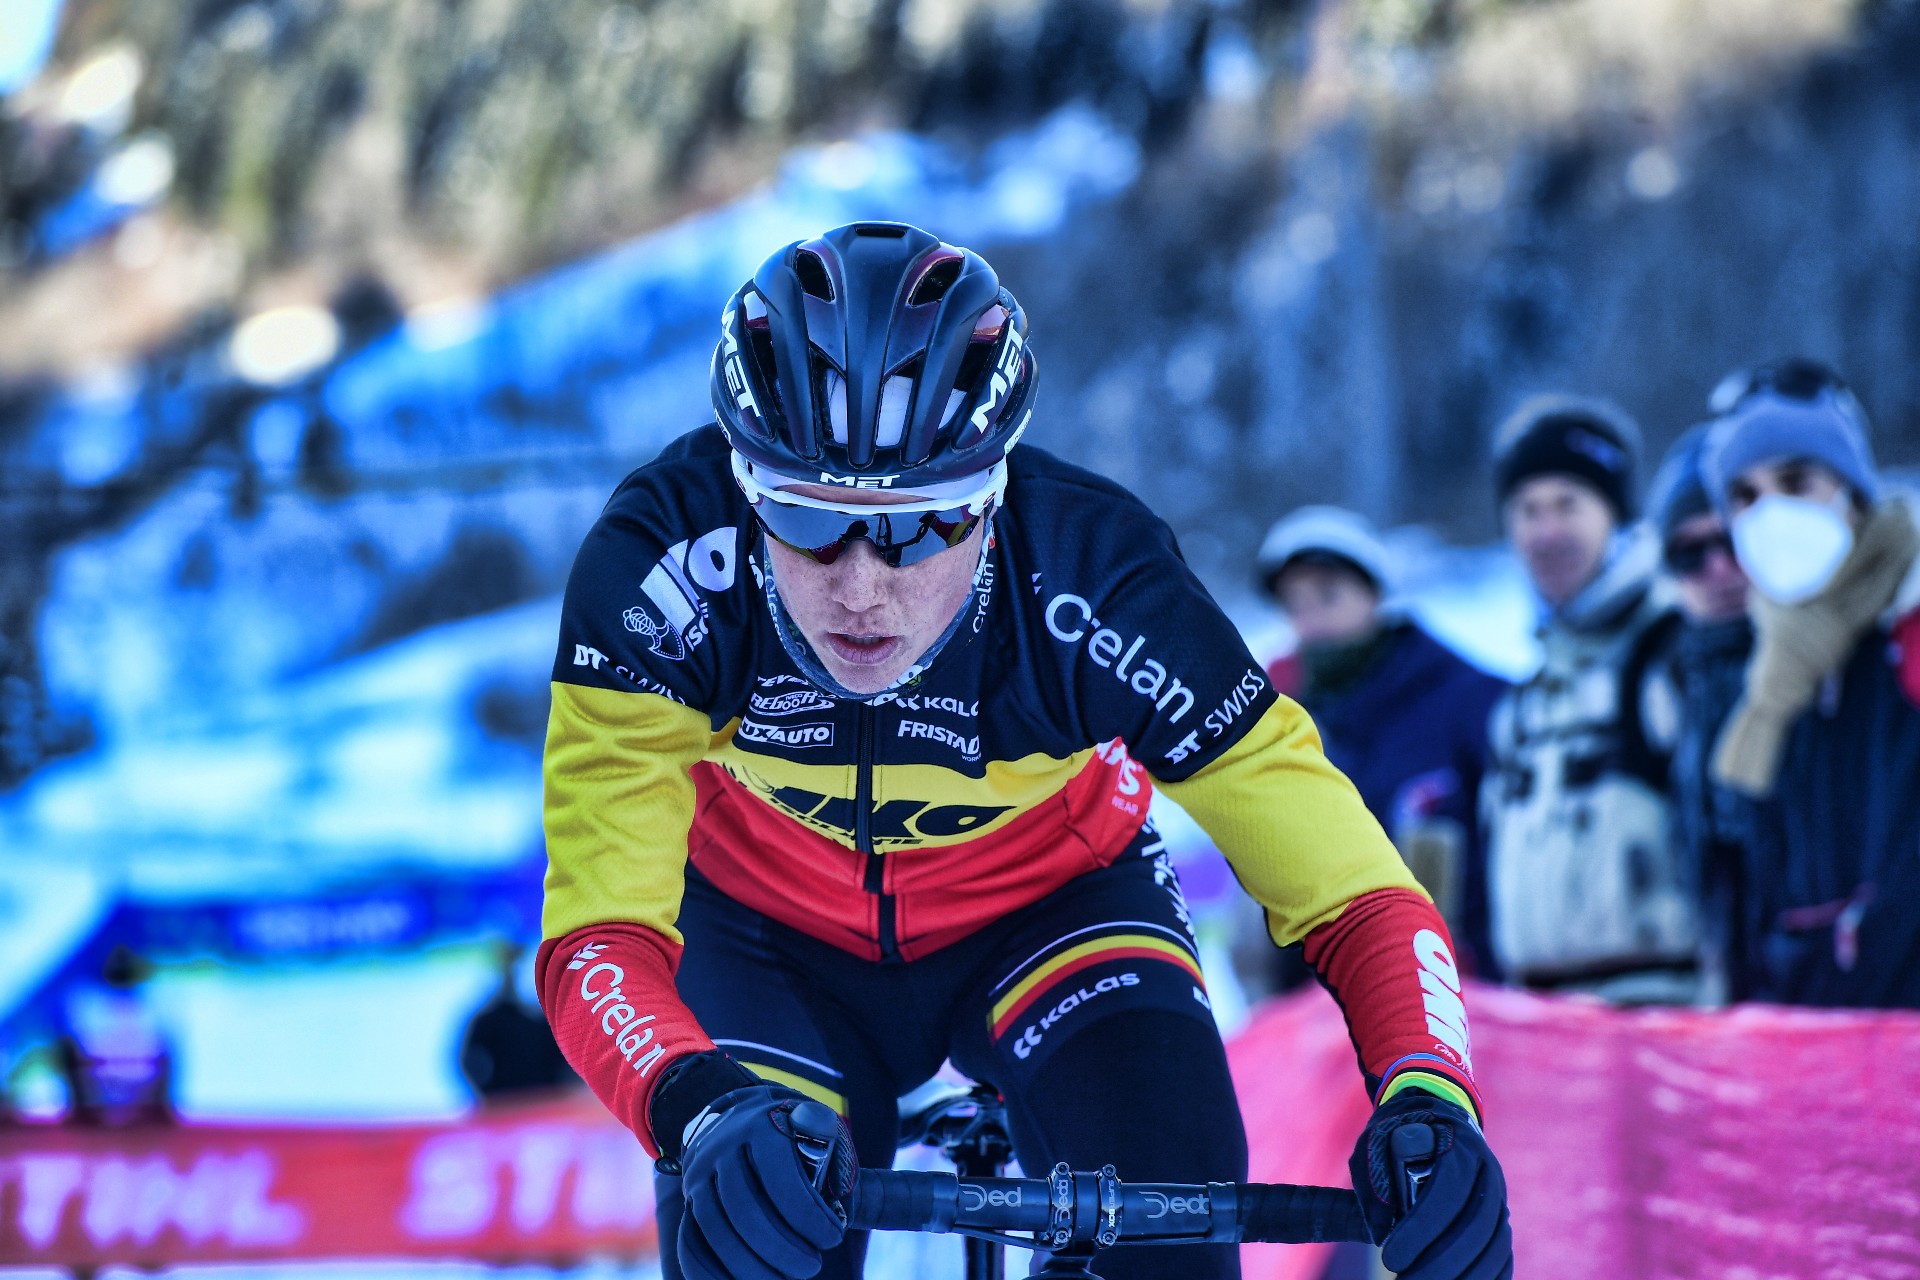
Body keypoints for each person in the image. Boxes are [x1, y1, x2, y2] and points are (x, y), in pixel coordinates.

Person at [537, 223, 1510, 1280]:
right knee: (750, 1244)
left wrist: (1428, 1088)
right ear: (742, 481)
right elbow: (598, 932)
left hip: (1053, 912)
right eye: (805, 517)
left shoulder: (1095, 574)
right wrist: (690, 1100)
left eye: (919, 525)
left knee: (1168, 1234)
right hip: (764, 937)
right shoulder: (659, 568)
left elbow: (1350, 886)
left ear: (993, 494)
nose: (860, 587)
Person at [1699, 358, 1920, 1007]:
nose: (1771, 512)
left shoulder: (1907, 629)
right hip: (1810, 1033)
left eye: (1796, 482)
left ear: (1853, 493)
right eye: (1745, 497)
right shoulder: (1771, 671)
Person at [1480, 394, 1699, 1002]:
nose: (1546, 532)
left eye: (1568, 505)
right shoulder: (1521, 706)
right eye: (1527, 510)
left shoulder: (1673, 658)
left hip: (1668, 1016)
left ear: (1616, 515)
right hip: (1548, 1029)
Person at [1255, 507, 1506, 977]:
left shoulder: (1470, 699)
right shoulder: (1287, 726)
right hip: (1339, 1001)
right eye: (1295, 604)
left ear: (1374, 595)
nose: (1312, 620)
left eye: (1327, 595)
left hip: (1472, 991)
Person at [1646, 423, 1754, 1004]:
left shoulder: (1829, 672)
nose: (1718, 569)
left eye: (1733, 543)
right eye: (1689, 554)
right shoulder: (1669, 684)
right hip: (1730, 992)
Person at [58, 945, 175, 1127]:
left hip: (107, 1081)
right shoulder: (153, 1005)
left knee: (68, 1045)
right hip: (126, 1081)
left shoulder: (86, 1004)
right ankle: (159, 1112)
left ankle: (81, 1112)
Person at [460, 942, 577, 1102]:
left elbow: (568, 1056)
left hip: (548, 1101)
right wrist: (487, 1092)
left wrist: (563, 1086)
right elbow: (468, 1059)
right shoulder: (488, 1021)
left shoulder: (546, 1018)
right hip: (506, 1104)